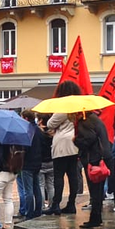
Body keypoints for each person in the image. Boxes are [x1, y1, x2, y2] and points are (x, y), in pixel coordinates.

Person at [45, 81, 83, 215]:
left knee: (59, 176)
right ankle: (71, 203)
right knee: (73, 175)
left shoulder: (64, 107)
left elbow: (50, 123)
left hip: (62, 144)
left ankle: (56, 203)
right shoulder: (79, 107)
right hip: (74, 144)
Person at [74, 109, 110, 229]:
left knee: (94, 190)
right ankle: (97, 217)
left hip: (93, 159)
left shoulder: (85, 122)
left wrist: (76, 141)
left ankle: (94, 218)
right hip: (101, 157)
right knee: (98, 191)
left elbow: (89, 139)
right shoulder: (96, 120)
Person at [0, 136, 21, 229]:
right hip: (12, 171)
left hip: (1, 172)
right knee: (8, 199)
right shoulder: (16, 138)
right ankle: (8, 223)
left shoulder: (0, 139)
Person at [20, 115, 47, 219]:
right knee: (36, 188)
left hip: (27, 163)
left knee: (28, 190)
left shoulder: (27, 131)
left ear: (26, 118)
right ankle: (38, 210)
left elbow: (24, 148)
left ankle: (29, 213)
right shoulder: (39, 131)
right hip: (37, 162)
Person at [36, 115, 56, 209]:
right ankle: (52, 205)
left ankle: (42, 206)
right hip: (51, 160)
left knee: (41, 185)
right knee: (51, 185)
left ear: (40, 120)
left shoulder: (38, 133)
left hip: (41, 161)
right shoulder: (53, 132)